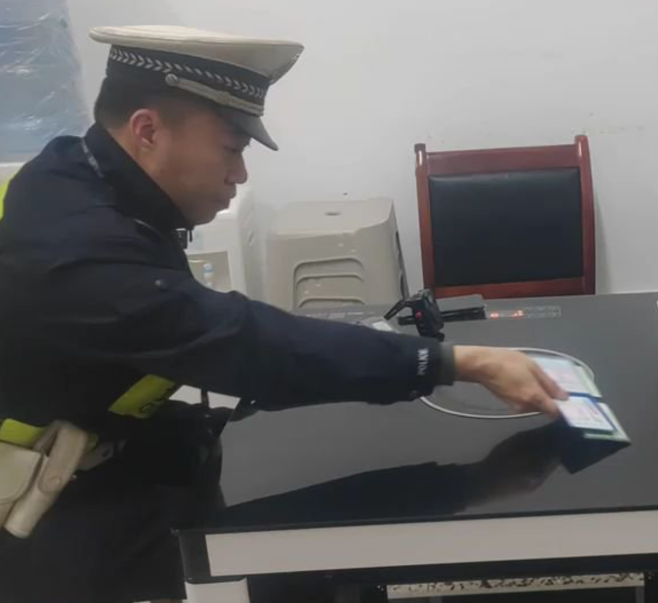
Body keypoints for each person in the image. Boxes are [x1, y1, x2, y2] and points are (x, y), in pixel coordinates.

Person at [0, 26, 566, 603]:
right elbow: (237, 342)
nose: (240, 174)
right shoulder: (73, 247)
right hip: (48, 511)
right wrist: (455, 362)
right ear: (147, 131)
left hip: (108, 457)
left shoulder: (74, 171)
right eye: (231, 149)